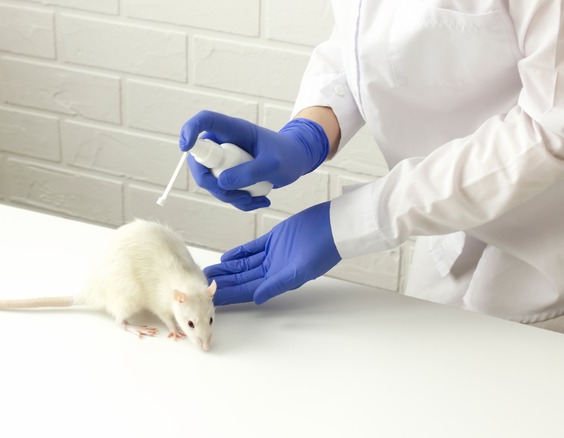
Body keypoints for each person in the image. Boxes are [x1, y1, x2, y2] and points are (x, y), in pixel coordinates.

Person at [179, 1, 564, 332]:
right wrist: (310, 130)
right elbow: (365, 40)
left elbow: (550, 126)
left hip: (543, 256)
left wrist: (352, 221)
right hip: (447, 235)